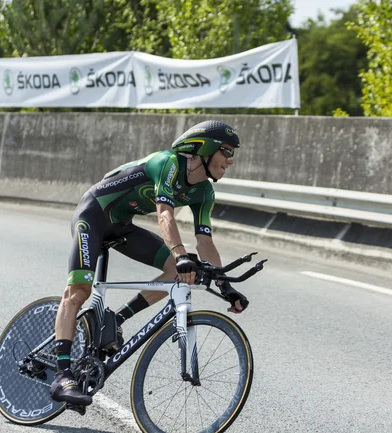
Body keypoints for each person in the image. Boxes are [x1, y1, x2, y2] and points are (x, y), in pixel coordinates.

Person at [50, 120, 249, 406]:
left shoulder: (204, 192)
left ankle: (116, 319)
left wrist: (224, 284)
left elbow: (205, 242)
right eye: (227, 151)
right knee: (79, 291)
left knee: (176, 273)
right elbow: (164, 215)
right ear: (204, 149)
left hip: (121, 226)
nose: (231, 160)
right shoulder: (168, 163)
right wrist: (181, 254)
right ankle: (61, 375)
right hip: (93, 215)